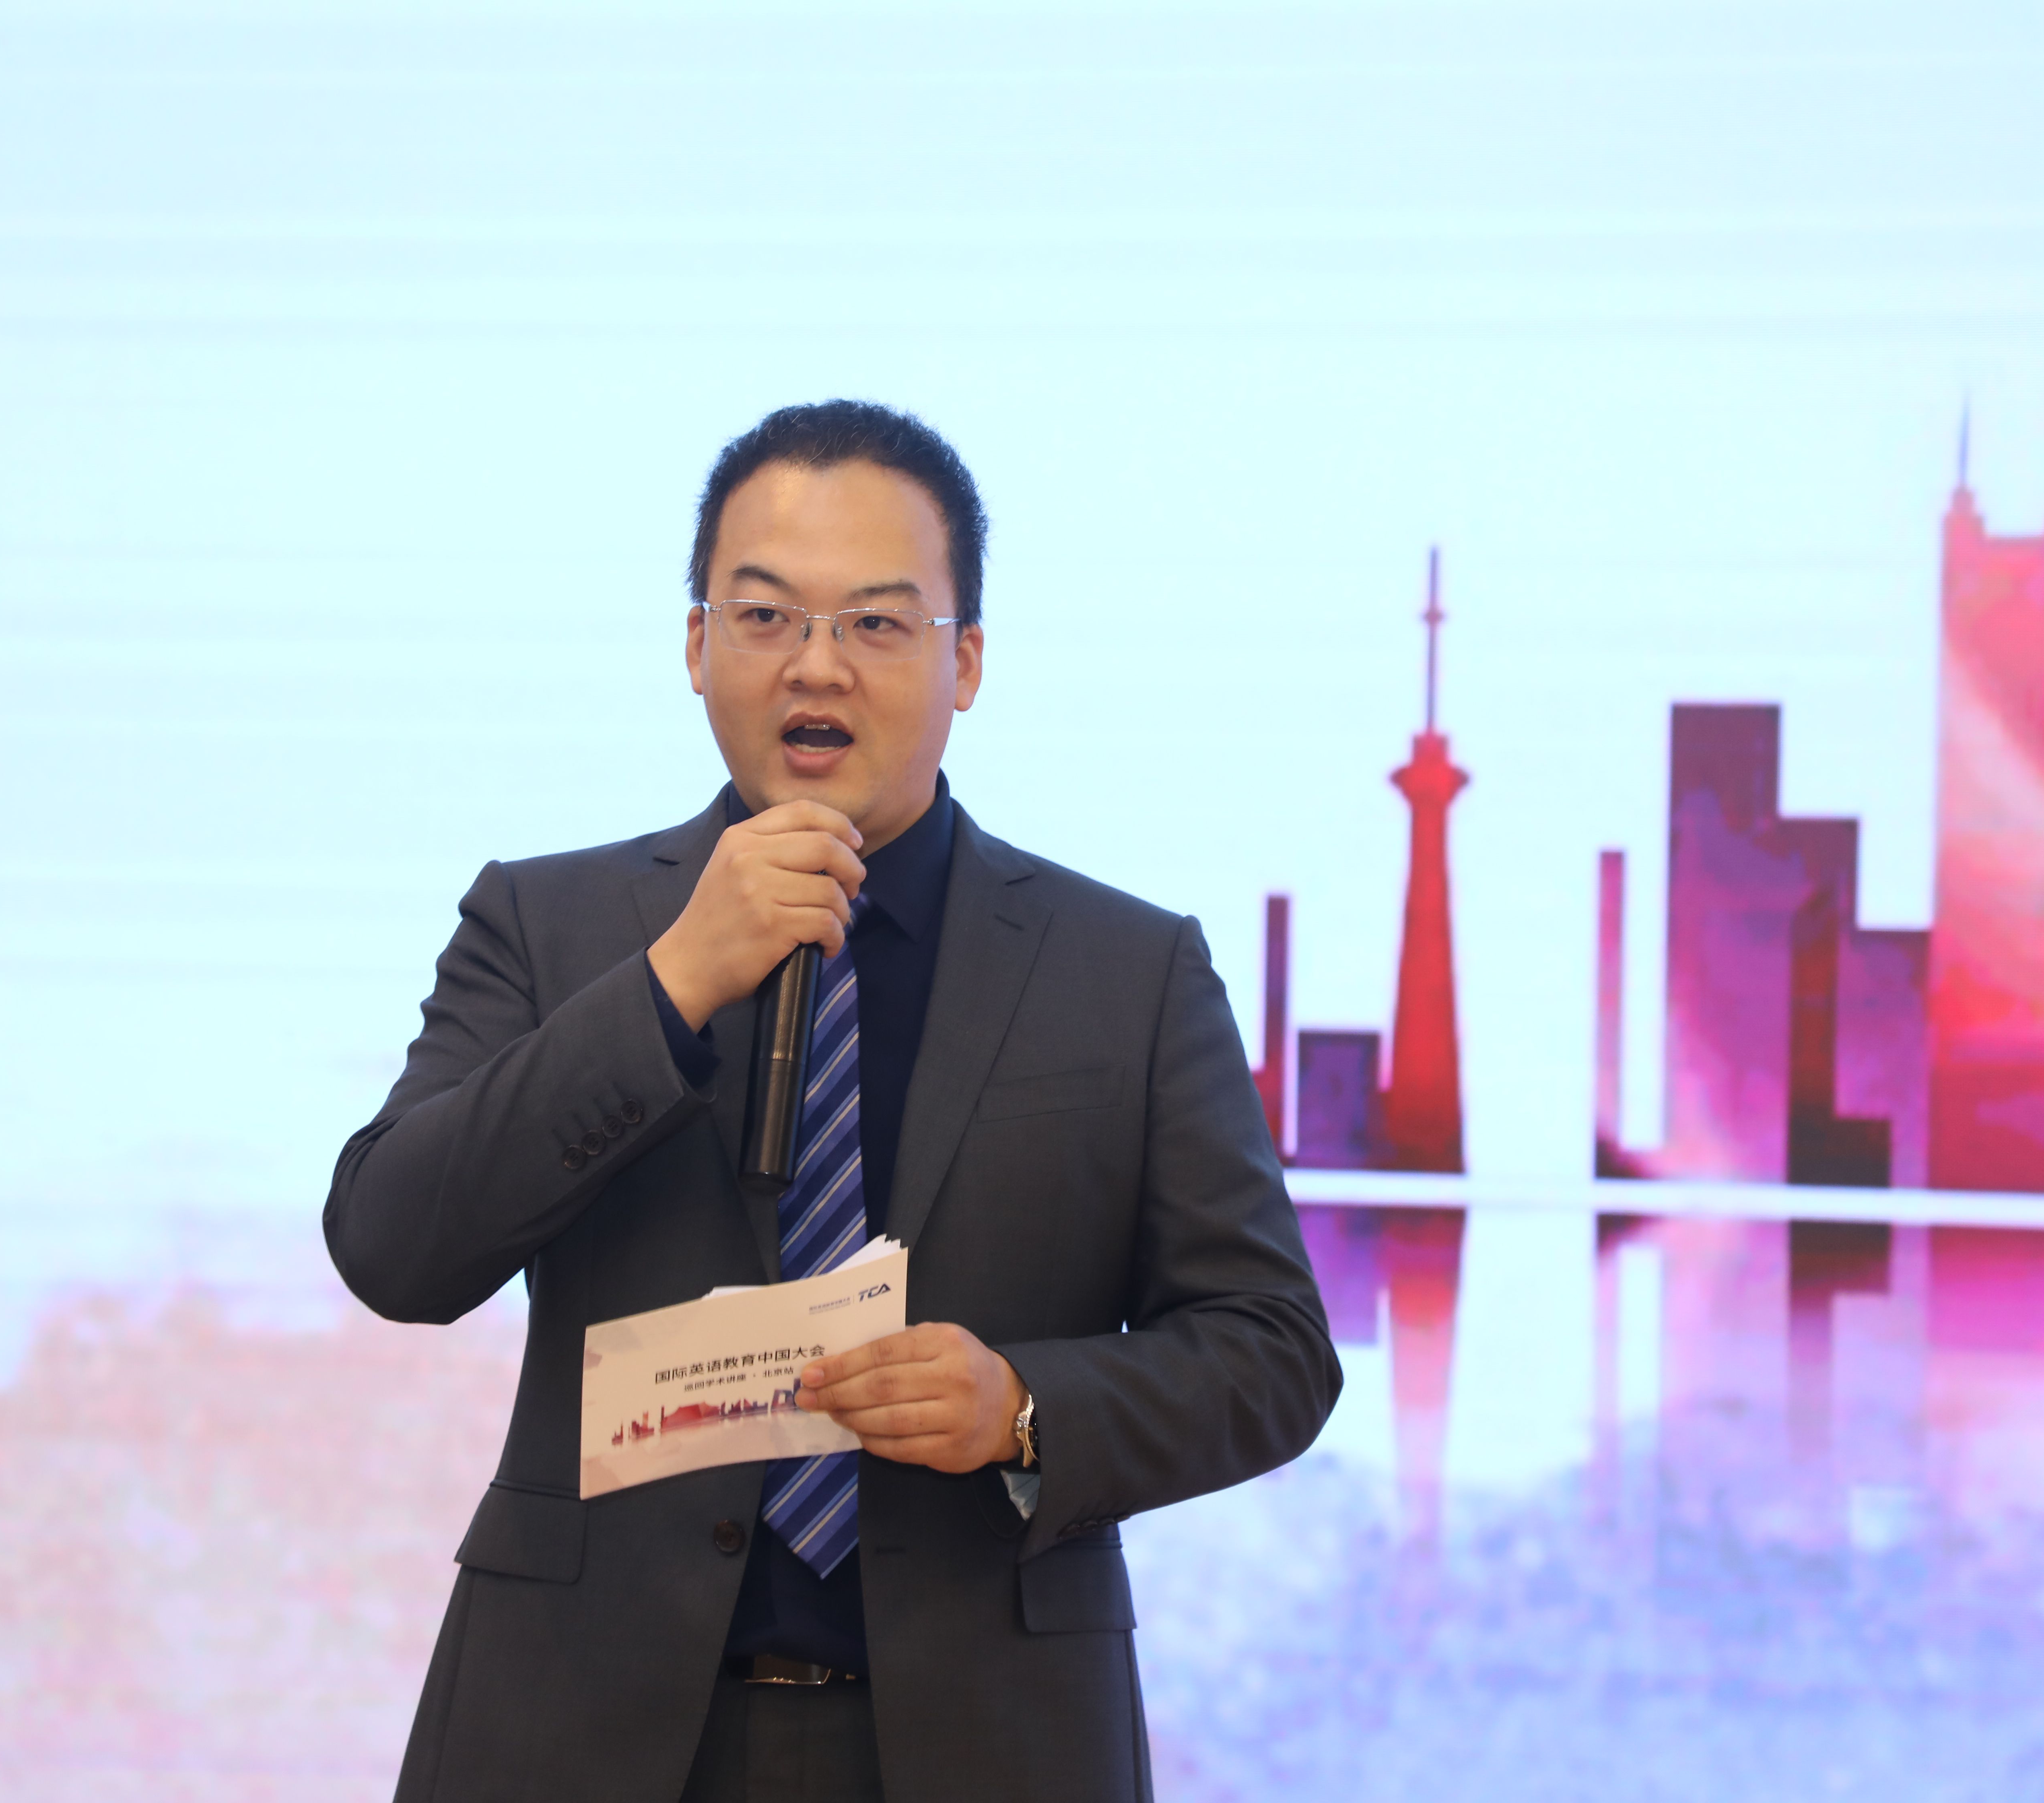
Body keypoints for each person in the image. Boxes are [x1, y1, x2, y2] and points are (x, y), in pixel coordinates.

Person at [324, 400, 1340, 1803]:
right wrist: (675, 980)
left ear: (965, 661)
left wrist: (1024, 1406)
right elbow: (393, 1248)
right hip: (577, 1730)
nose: (817, 664)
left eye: (876, 623)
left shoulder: (1126, 971)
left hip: (982, 1741)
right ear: (697, 645)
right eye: (765, 617)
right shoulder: (549, 927)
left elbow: (1273, 1352)